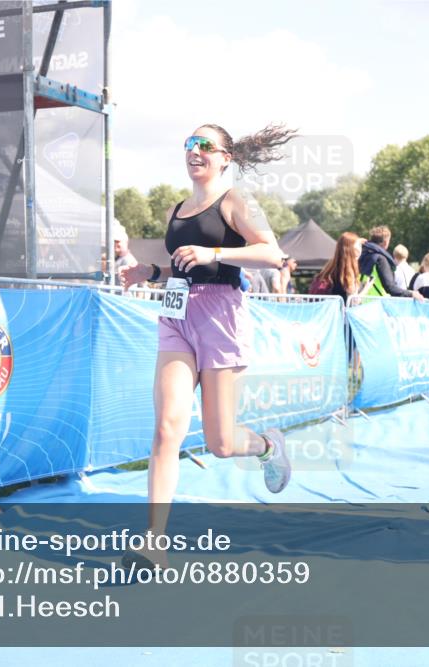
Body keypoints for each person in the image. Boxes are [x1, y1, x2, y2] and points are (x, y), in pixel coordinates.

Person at [119, 123, 296, 568]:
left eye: (204, 145)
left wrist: (214, 254)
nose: (193, 151)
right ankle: (153, 542)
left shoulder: (236, 201)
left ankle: (267, 445)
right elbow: (183, 264)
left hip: (221, 316)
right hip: (177, 315)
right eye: (188, 144)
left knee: (220, 442)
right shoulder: (177, 209)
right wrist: (151, 274)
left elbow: (273, 254)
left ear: (224, 158)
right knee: (167, 428)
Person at [358, 226, 424, 301]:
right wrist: (411, 294)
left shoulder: (361, 256)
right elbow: (390, 288)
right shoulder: (380, 259)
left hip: (359, 302)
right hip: (376, 304)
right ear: (386, 242)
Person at [310, 232, 364, 302]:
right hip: (339, 311)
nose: (360, 250)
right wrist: (366, 288)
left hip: (327, 310)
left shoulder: (332, 265)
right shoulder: (348, 271)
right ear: (350, 248)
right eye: (358, 246)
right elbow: (354, 301)